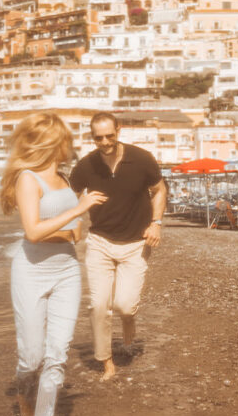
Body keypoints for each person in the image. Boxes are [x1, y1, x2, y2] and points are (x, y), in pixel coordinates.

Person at [0, 113, 106, 416]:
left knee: (57, 354)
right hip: (30, 271)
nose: (71, 146)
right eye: (66, 140)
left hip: (66, 271)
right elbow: (32, 231)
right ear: (52, 142)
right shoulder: (28, 180)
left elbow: (74, 234)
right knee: (31, 357)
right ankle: (23, 390)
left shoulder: (64, 180)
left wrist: (68, 222)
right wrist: (80, 209)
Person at [69, 112, 166, 381]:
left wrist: (156, 223)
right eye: (98, 138)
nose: (104, 141)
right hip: (100, 242)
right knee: (98, 305)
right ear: (92, 138)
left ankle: (128, 319)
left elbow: (159, 190)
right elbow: (67, 196)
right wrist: (76, 211)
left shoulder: (141, 158)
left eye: (109, 135)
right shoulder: (86, 165)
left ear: (118, 130)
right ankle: (106, 362)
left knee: (124, 306)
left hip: (136, 244)